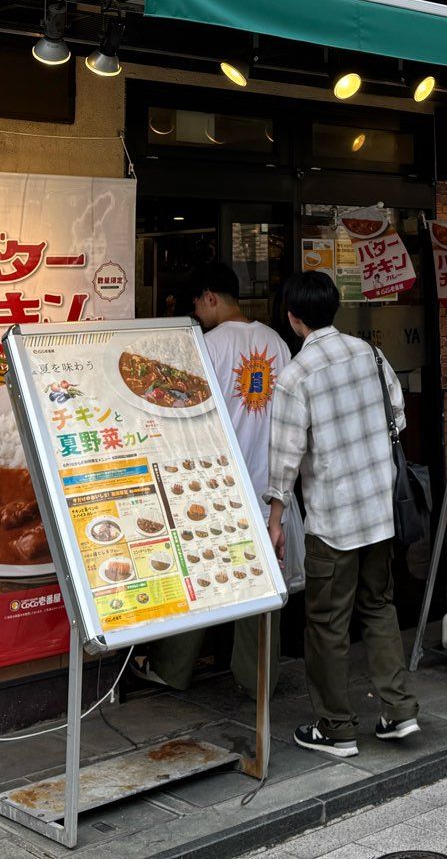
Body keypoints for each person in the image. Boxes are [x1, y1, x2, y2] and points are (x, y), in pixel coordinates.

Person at [263, 269, 419, 757]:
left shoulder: (295, 376)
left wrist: (275, 517)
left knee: (328, 624)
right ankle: (399, 712)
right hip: (379, 512)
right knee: (379, 607)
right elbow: (398, 417)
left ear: (293, 318)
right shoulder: (369, 355)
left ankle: (335, 727)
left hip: (332, 520)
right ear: (334, 309)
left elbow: (285, 456)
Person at [136, 264, 292, 695]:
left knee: (199, 577)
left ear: (210, 296)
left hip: (214, 483)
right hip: (267, 481)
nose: (197, 314)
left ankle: (174, 668)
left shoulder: (204, 347)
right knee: (260, 583)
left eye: (197, 305)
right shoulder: (277, 343)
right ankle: (258, 678)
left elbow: (180, 417)